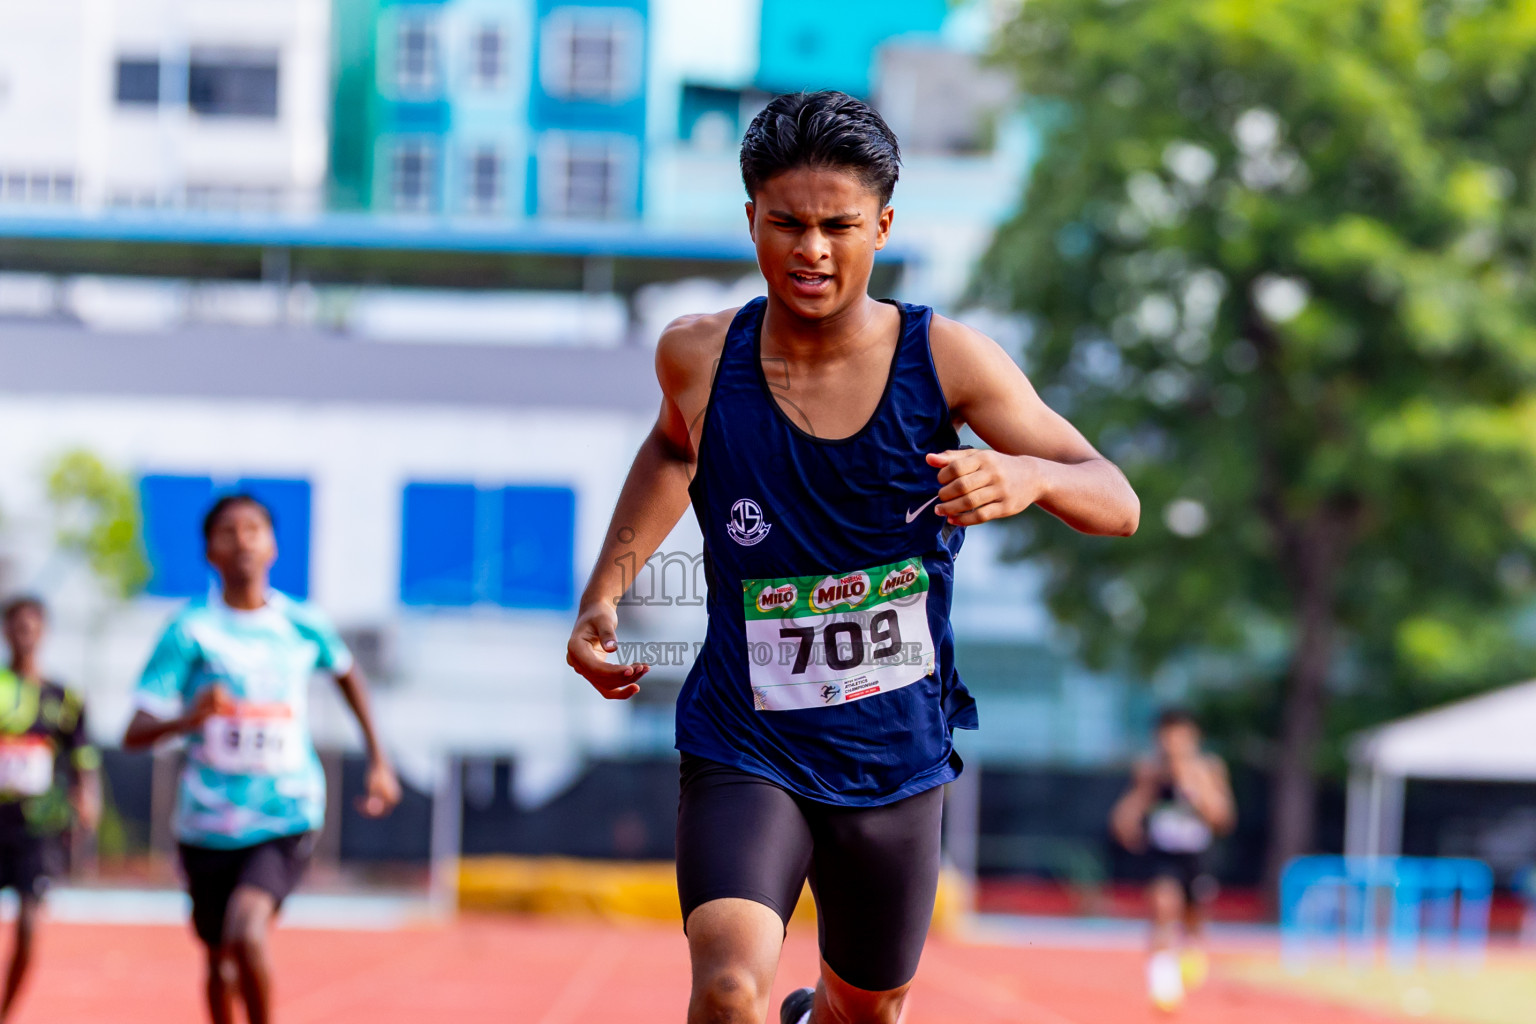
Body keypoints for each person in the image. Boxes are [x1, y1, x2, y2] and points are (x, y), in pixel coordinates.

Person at [566, 90, 1140, 1024]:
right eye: (786, 224)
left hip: (895, 755)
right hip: (745, 738)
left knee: (863, 1012)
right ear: (750, 218)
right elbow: (676, 449)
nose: (812, 250)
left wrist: (1029, 475)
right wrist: (605, 594)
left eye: (838, 225)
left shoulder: (948, 361)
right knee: (725, 987)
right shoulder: (699, 358)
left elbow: (1117, 500)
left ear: (883, 223)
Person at [123, 494, 401, 1024]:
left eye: (254, 529)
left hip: (285, 809)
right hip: (206, 822)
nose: (242, 540)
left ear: (273, 544)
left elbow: (348, 676)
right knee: (218, 961)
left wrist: (379, 760)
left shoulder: (302, 624)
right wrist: (189, 719)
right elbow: (134, 732)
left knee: (246, 931)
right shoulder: (189, 631)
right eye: (227, 531)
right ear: (209, 550)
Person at [0, 596, 100, 1023]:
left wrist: (86, 796)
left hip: (38, 826)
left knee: (28, 925)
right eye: (17, 625)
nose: (25, 633)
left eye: (33, 625)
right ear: (6, 631)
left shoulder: (65, 698)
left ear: (44, 632)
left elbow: (83, 757)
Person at [1110, 708, 1235, 1012]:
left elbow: (1223, 819)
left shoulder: (1209, 768)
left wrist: (1194, 784)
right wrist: (1143, 797)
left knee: (1193, 918)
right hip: (1163, 855)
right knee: (1164, 907)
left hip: (1197, 856)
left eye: (1181, 737)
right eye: (1167, 737)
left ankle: (1191, 951)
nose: (1174, 744)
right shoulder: (1149, 771)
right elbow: (1123, 821)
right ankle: (1163, 986)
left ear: (1195, 739)